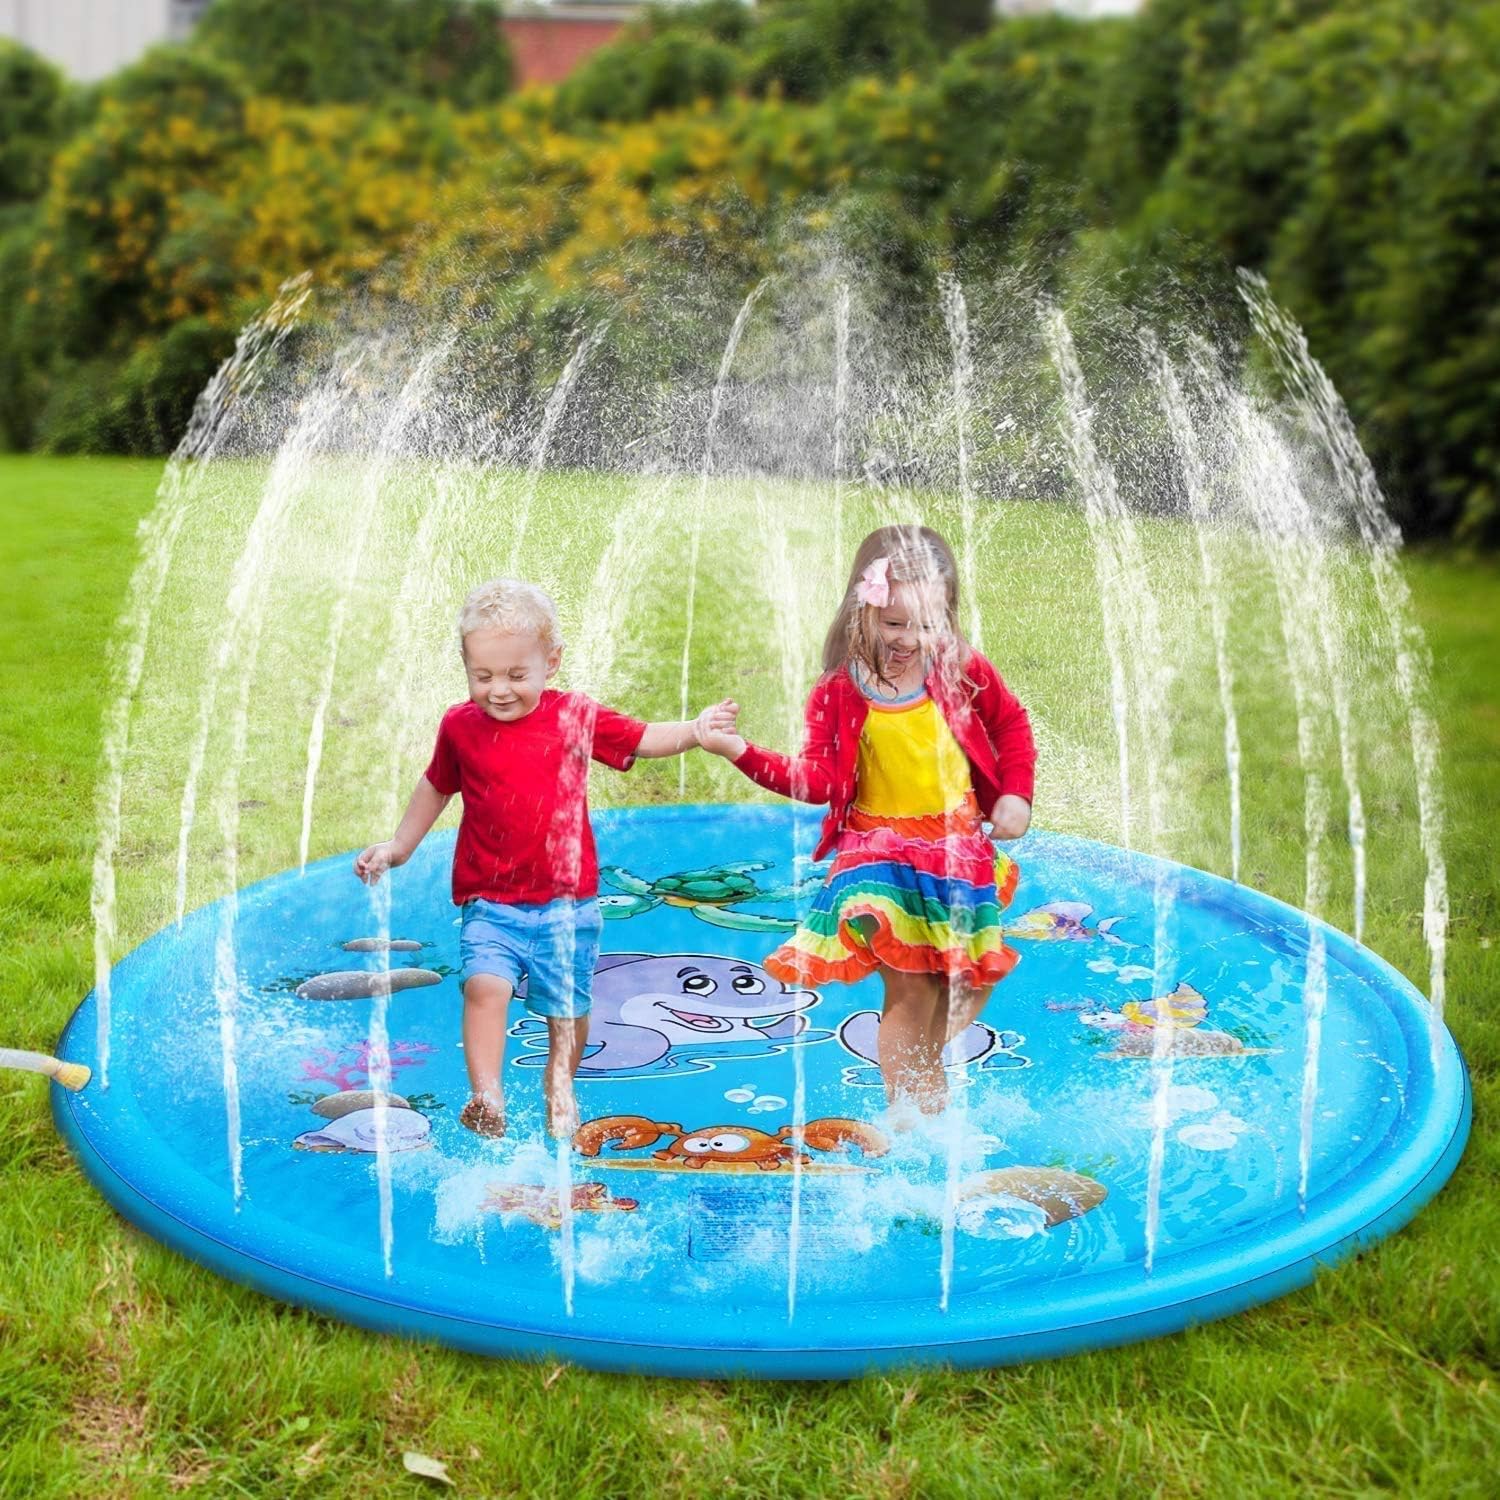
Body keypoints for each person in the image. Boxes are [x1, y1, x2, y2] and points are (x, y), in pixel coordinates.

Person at [355, 579, 722, 1141]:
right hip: (490, 901)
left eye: (515, 675)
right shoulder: (460, 726)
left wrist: (694, 731)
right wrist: (399, 846)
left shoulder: (572, 714)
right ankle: (487, 1096)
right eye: (483, 676)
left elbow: (641, 737)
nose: (499, 690)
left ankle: (560, 1081)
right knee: (484, 988)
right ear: (466, 667)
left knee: (567, 1009)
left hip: (566, 904)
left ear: (551, 662)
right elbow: (436, 785)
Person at [698, 525, 1035, 1118]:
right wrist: (739, 752)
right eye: (894, 623)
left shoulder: (960, 667)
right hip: (881, 854)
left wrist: (1016, 794)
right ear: (864, 609)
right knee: (911, 986)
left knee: (973, 977)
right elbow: (818, 782)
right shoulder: (840, 690)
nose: (910, 640)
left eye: (927, 625)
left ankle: (921, 1069)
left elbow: (1009, 724)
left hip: (955, 846)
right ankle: (908, 1115)